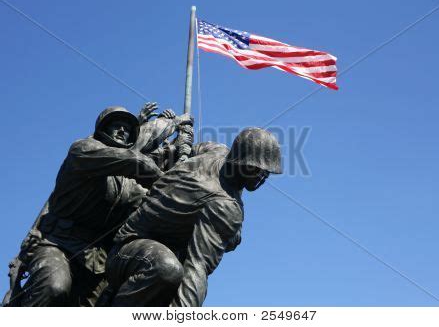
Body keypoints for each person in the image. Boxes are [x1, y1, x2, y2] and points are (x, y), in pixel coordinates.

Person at [5, 104, 192, 307]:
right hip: (59, 244)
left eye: (128, 128)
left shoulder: (129, 186)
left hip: (98, 259)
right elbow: (135, 161)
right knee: (55, 286)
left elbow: (151, 201)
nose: (123, 130)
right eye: (117, 125)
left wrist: (179, 159)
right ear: (102, 130)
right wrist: (164, 175)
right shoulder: (83, 150)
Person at [103, 127, 282, 306]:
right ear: (240, 162)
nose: (262, 177)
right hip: (127, 254)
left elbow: (192, 150)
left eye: (266, 172)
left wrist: (183, 149)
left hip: (141, 248)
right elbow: (197, 268)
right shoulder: (225, 206)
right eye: (256, 168)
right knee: (167, 268)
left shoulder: (217, 150)